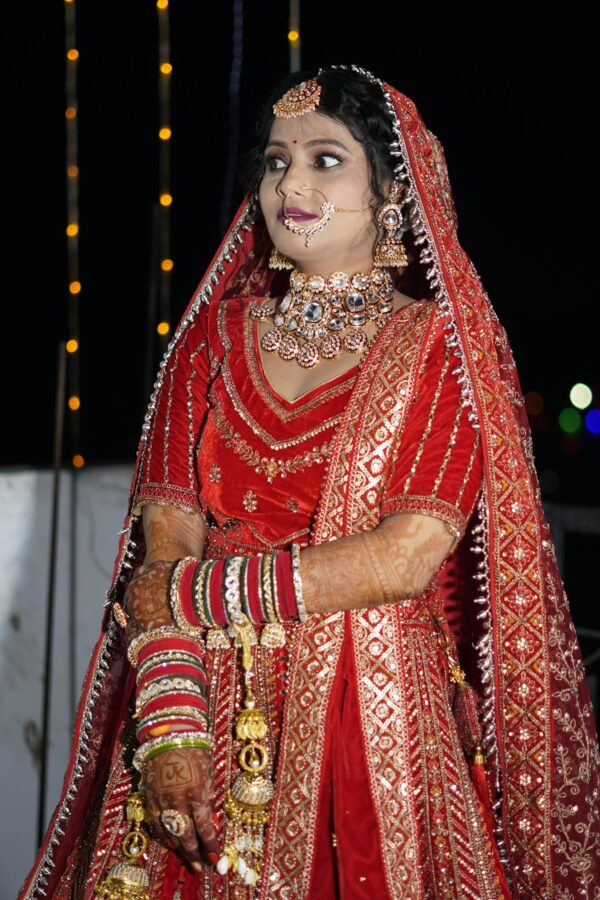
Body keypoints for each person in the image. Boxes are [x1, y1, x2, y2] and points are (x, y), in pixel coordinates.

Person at [21, 65, 600, 899]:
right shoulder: (210, 339)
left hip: (368, 723)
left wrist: (193, 597)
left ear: (392, 192)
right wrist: (175, 722)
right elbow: (168, 542)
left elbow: (402, 558)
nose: (290, 181)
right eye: (275, 161)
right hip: (199, 702)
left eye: (326, 159)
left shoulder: (440, 348)